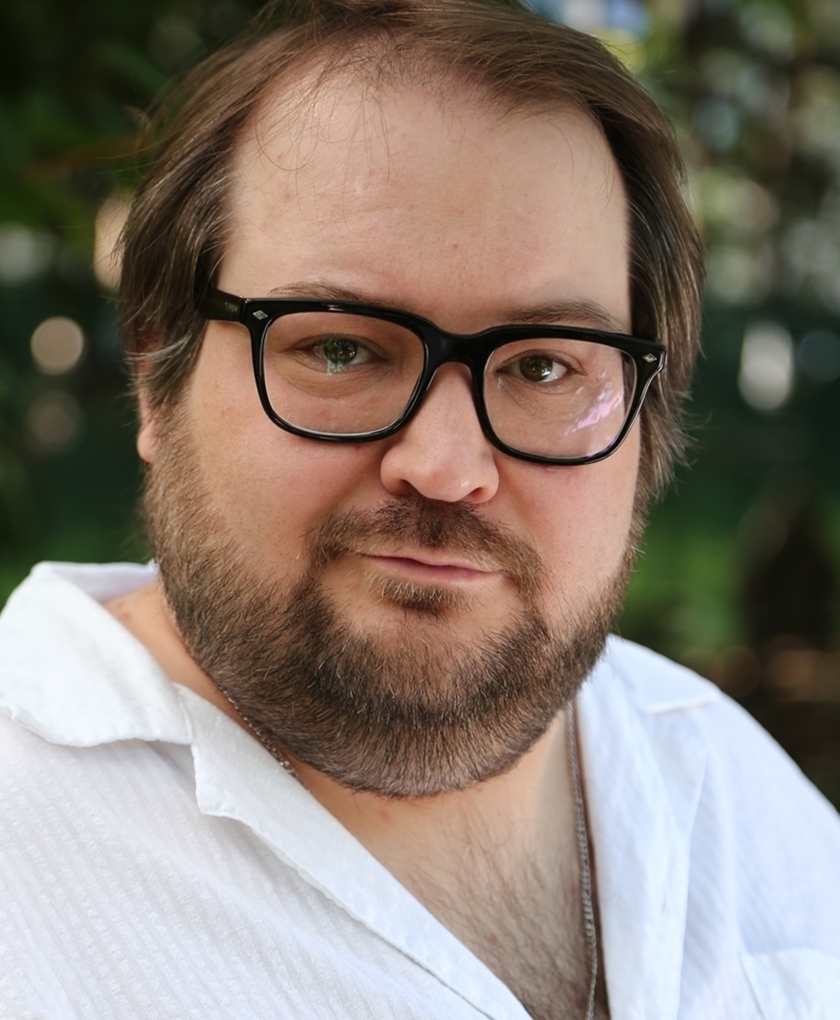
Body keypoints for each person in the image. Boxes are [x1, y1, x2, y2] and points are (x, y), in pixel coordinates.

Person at [2, 1, 839, 1017]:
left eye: (543, 366)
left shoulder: (731, 787)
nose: (445, 468)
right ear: (153, 376)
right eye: (339, 347)